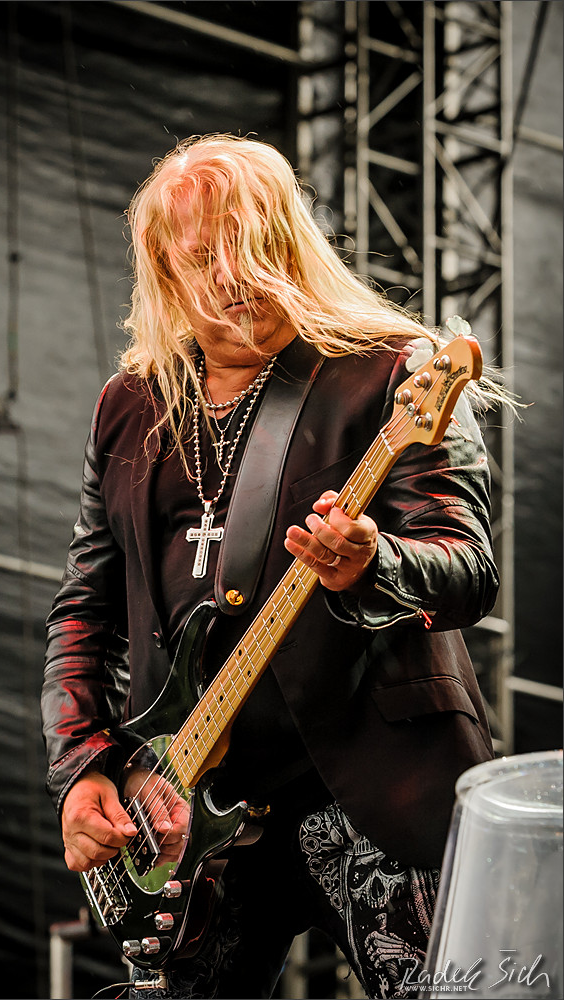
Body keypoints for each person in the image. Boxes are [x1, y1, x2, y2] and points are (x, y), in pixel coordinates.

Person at [41, 133, 500, 1000]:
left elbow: (468, 567)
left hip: (372, 787)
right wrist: (82, 767)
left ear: (291, 238)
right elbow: (84, 611)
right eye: (201, 258)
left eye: (247, 246)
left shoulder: (391, 372)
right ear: (166, 271)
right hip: (187, 814)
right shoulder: (131, 406)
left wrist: (372, 563)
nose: (230, 277)